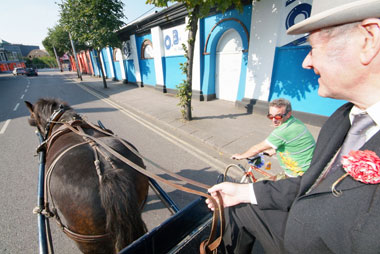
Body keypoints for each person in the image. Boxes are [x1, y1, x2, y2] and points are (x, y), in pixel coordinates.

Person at [206, 0, 380, 253]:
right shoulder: (340, 119)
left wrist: (244, 154)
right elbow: (307, 185)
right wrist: (244, 192)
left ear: (368, 40)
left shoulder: (293, 128)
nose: (306, 62)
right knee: (240, 207)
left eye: (312, 47)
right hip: (297, 224)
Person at [231, 98, 315, 178]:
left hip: (298, 174)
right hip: (310, 168)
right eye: (271, 116)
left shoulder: (282, 131)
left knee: (261, 188)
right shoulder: (295, 122)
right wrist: (274, 150)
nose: (274, 120)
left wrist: (241, 156)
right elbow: (293, 143)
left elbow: (257, 149)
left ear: (288, 114)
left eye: (278, 116)